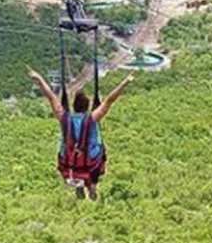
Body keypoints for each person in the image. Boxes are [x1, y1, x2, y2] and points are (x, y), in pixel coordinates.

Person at [27, 66, 134, 200]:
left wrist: (39, 79)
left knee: (72, 153)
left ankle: (79, 184)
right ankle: (92, 184)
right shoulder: (93, 117)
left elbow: (50, 96)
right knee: (100, 151)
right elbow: (109, 100)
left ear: (74, 106)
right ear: (87, 106)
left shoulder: (64, 117)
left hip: (69, 160)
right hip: (91, 160)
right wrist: (125, 82)